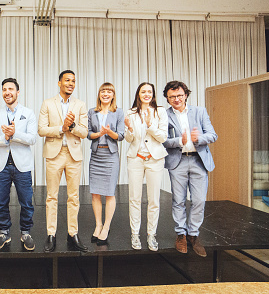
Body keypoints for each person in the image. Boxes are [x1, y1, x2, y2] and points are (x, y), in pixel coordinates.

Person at [162, 81, 218, 257]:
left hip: (198, 161)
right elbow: (163, 140)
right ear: (167, 99)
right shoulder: (164, 115)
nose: (176, 99)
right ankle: (181, 234)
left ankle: (193, 235)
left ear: (185, 94)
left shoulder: (199, 111)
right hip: (177, 161)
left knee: (199, 200)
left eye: (179, 95)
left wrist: (198, 138)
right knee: (178, 200)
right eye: (172, 97)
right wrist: (180, 140)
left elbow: (212, 134)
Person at [38, 70, 88, 252]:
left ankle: (72, 233)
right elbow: (41, 130)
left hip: (73, 155)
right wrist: (62, 127)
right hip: (54, 154)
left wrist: (72, 127)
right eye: (67, 80)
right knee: (52, 196)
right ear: (59, 83)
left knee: (73, 197)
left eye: (73, 81)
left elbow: (84, 132)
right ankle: (51, 234)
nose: (71, 83)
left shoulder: (80, 105)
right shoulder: (47, 103)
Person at [0, 78, 37, 251]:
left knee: (26, 202)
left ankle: (25, 232)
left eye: (10, 89)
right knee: (1, 202)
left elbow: (32, 138)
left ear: (18, 92)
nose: (7, 92)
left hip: (22, 165)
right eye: (4, 89)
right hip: (2, 165)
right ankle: (4, 232)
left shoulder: (28, 113)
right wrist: (6, 137)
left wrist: (15, 134)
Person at [124, 82, 168, 251]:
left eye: (149, 91)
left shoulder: (160, 111)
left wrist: (150, 125)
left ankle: (151, 235)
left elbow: (163, 137)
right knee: (134, 198)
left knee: (154, 200)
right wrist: (129, 129)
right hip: (135, 158)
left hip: (155, 159)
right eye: (143, 91)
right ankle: (135, 234)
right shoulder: (131, 112)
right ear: (138, 94)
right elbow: (129, 139)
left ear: (153, 94)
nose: (147, 94)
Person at [87, 82, 125, 246]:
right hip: (96, 155)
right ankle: (98, 225)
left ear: (113, 95)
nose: (106, 93)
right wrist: (99, 133)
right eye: (103, 91)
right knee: (95, 193)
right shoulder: (92, 112)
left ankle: (106, 226)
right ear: (99, 94)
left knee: (109, 193)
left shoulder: (118, 112)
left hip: (110, 156)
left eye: (109, 91)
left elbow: (121, 135)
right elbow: (88, 134)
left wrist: (109, 133)